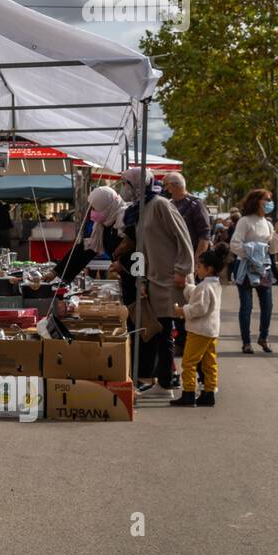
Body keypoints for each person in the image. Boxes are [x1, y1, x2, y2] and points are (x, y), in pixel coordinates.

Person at [117, 167, 193, 392]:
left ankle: (170, 381)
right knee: (161, 331)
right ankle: (165, 380)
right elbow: (140, 249)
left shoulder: (160, 204)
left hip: (171, 279)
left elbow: (183, 237)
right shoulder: (140, 210)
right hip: (153, 280)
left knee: (169, 331)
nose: (124, 190)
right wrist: (140, 279)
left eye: (127, 184)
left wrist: (182, 270)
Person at [171, 243, 230, 406]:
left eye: (199, 266)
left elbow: (199, 308)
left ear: (209, 269)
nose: (197, 269)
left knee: (189, 362)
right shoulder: (214, 284)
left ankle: (189, 392)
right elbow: (200, 297)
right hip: (211, 330)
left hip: (198, 330)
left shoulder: (204, 287)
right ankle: (208, 392)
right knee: (209, 363)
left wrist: (182, 311)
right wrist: (189, 287)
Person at [229, 188, 278, 354]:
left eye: (270, 199)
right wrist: (252, 253)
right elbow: (235, 244)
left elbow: (275, 248)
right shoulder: (245, 221)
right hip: (245, 267)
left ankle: (264, 337)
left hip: (264, 268)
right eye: (266, 199)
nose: (269, 203)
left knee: (267, 305)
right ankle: (246, 342)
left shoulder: (267, 223)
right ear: (256, 201)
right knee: (246, 306)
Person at [162, 171, 209, 356]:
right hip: (172, 262)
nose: (165, 189)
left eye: (166, 185)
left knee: (186, 301)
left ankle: (185, 341)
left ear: (175, 185)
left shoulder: (195, 204)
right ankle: (180, 339)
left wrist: (196, 263)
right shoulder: (170, 204)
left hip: (188, 263)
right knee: (174, 302)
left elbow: (204, 235)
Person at [55, 186, 124, 283]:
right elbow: (85, 249)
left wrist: (124, 264)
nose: (92, 212)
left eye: (95, 208)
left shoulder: (125, 222)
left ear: (107, 206)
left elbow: (139, 252)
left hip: (138, 282)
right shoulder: (102, 226)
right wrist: (56, 272)